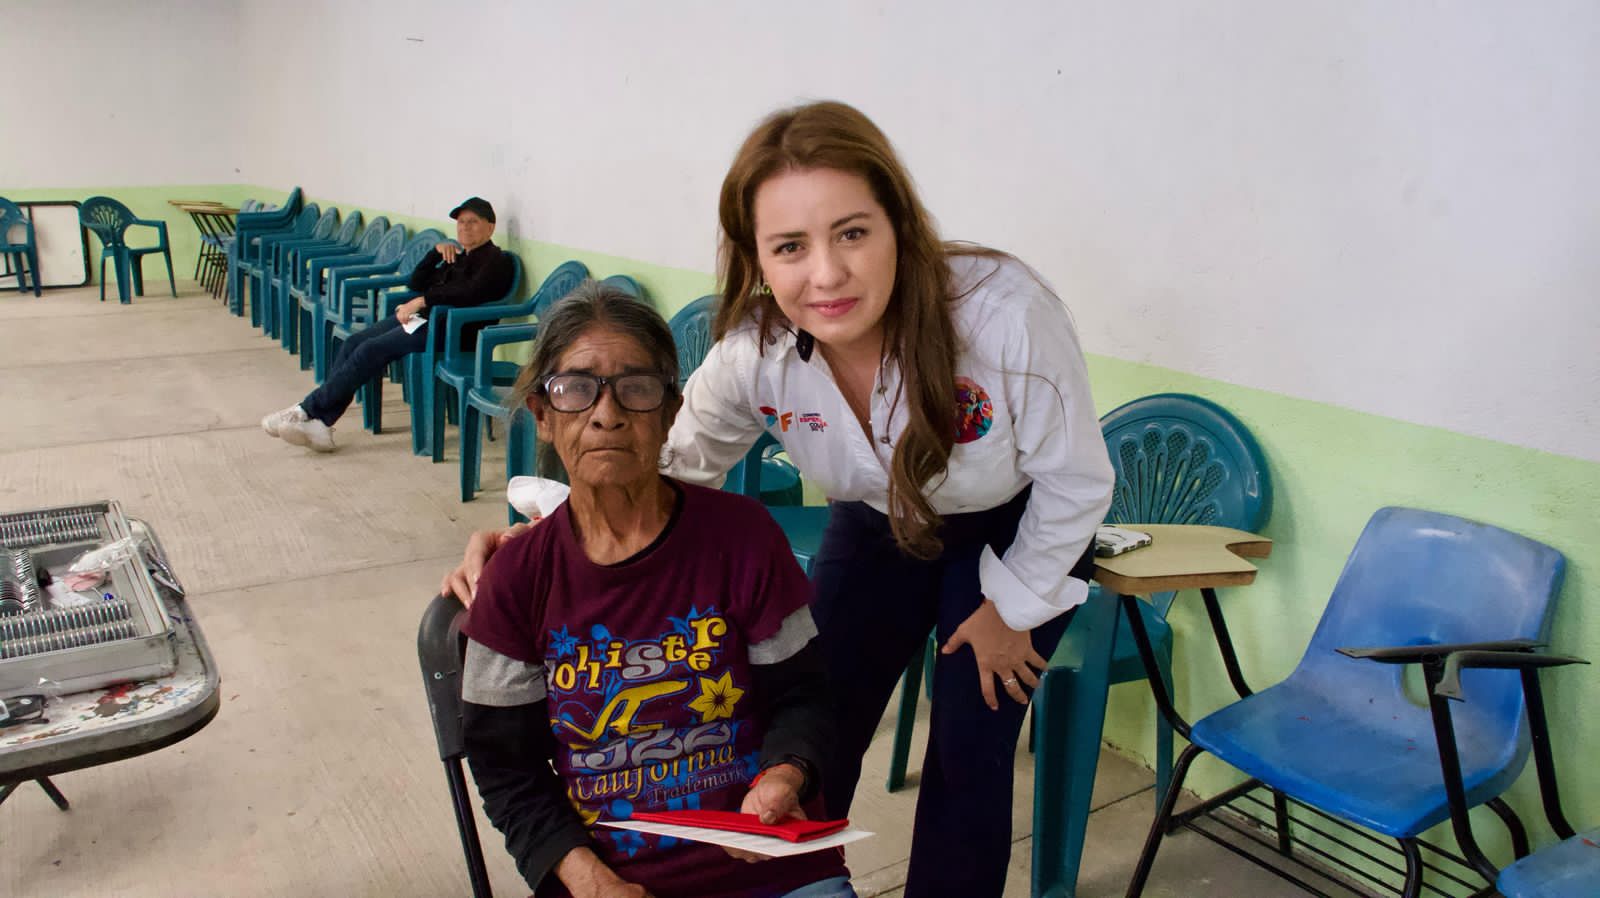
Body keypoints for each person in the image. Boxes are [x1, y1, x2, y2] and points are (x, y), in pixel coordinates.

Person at [444, 102, 1114, 897]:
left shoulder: (1003, 316)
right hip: (874, 521)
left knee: (971, 739)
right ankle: (801, 879)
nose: (825, 275)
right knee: (820, 720)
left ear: (899, 225)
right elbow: (665, 462)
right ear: (757, 257)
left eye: (852, 232)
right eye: (790, 246)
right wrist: (545, 538)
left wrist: (1015, 609)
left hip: (1013, 527)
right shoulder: (753, 354)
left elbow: (1077, 479)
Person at [460, 280, 856, 898]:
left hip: (768, 865)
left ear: (672, 411)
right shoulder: (517, 580)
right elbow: (506, 771)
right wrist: (591, 881)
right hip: (610, 881)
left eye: (637, 387)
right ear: (542, 416)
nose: (607, 413)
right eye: (575, 389)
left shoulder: (744, 538)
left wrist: (784, 775)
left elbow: (804, 697)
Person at [260, 196, 515, 451]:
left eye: (473, 222)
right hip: (425, 320)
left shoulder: (496, 260)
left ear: (490, 227)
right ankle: (321, 423)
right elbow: (415, 282)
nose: (465, 227)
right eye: (461, 222)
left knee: (369, 350)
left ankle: (306, 411)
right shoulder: (456, 257)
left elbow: (470, 293)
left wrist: (421, 301)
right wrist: (434, 253)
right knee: (354, 342)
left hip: (452, 331)